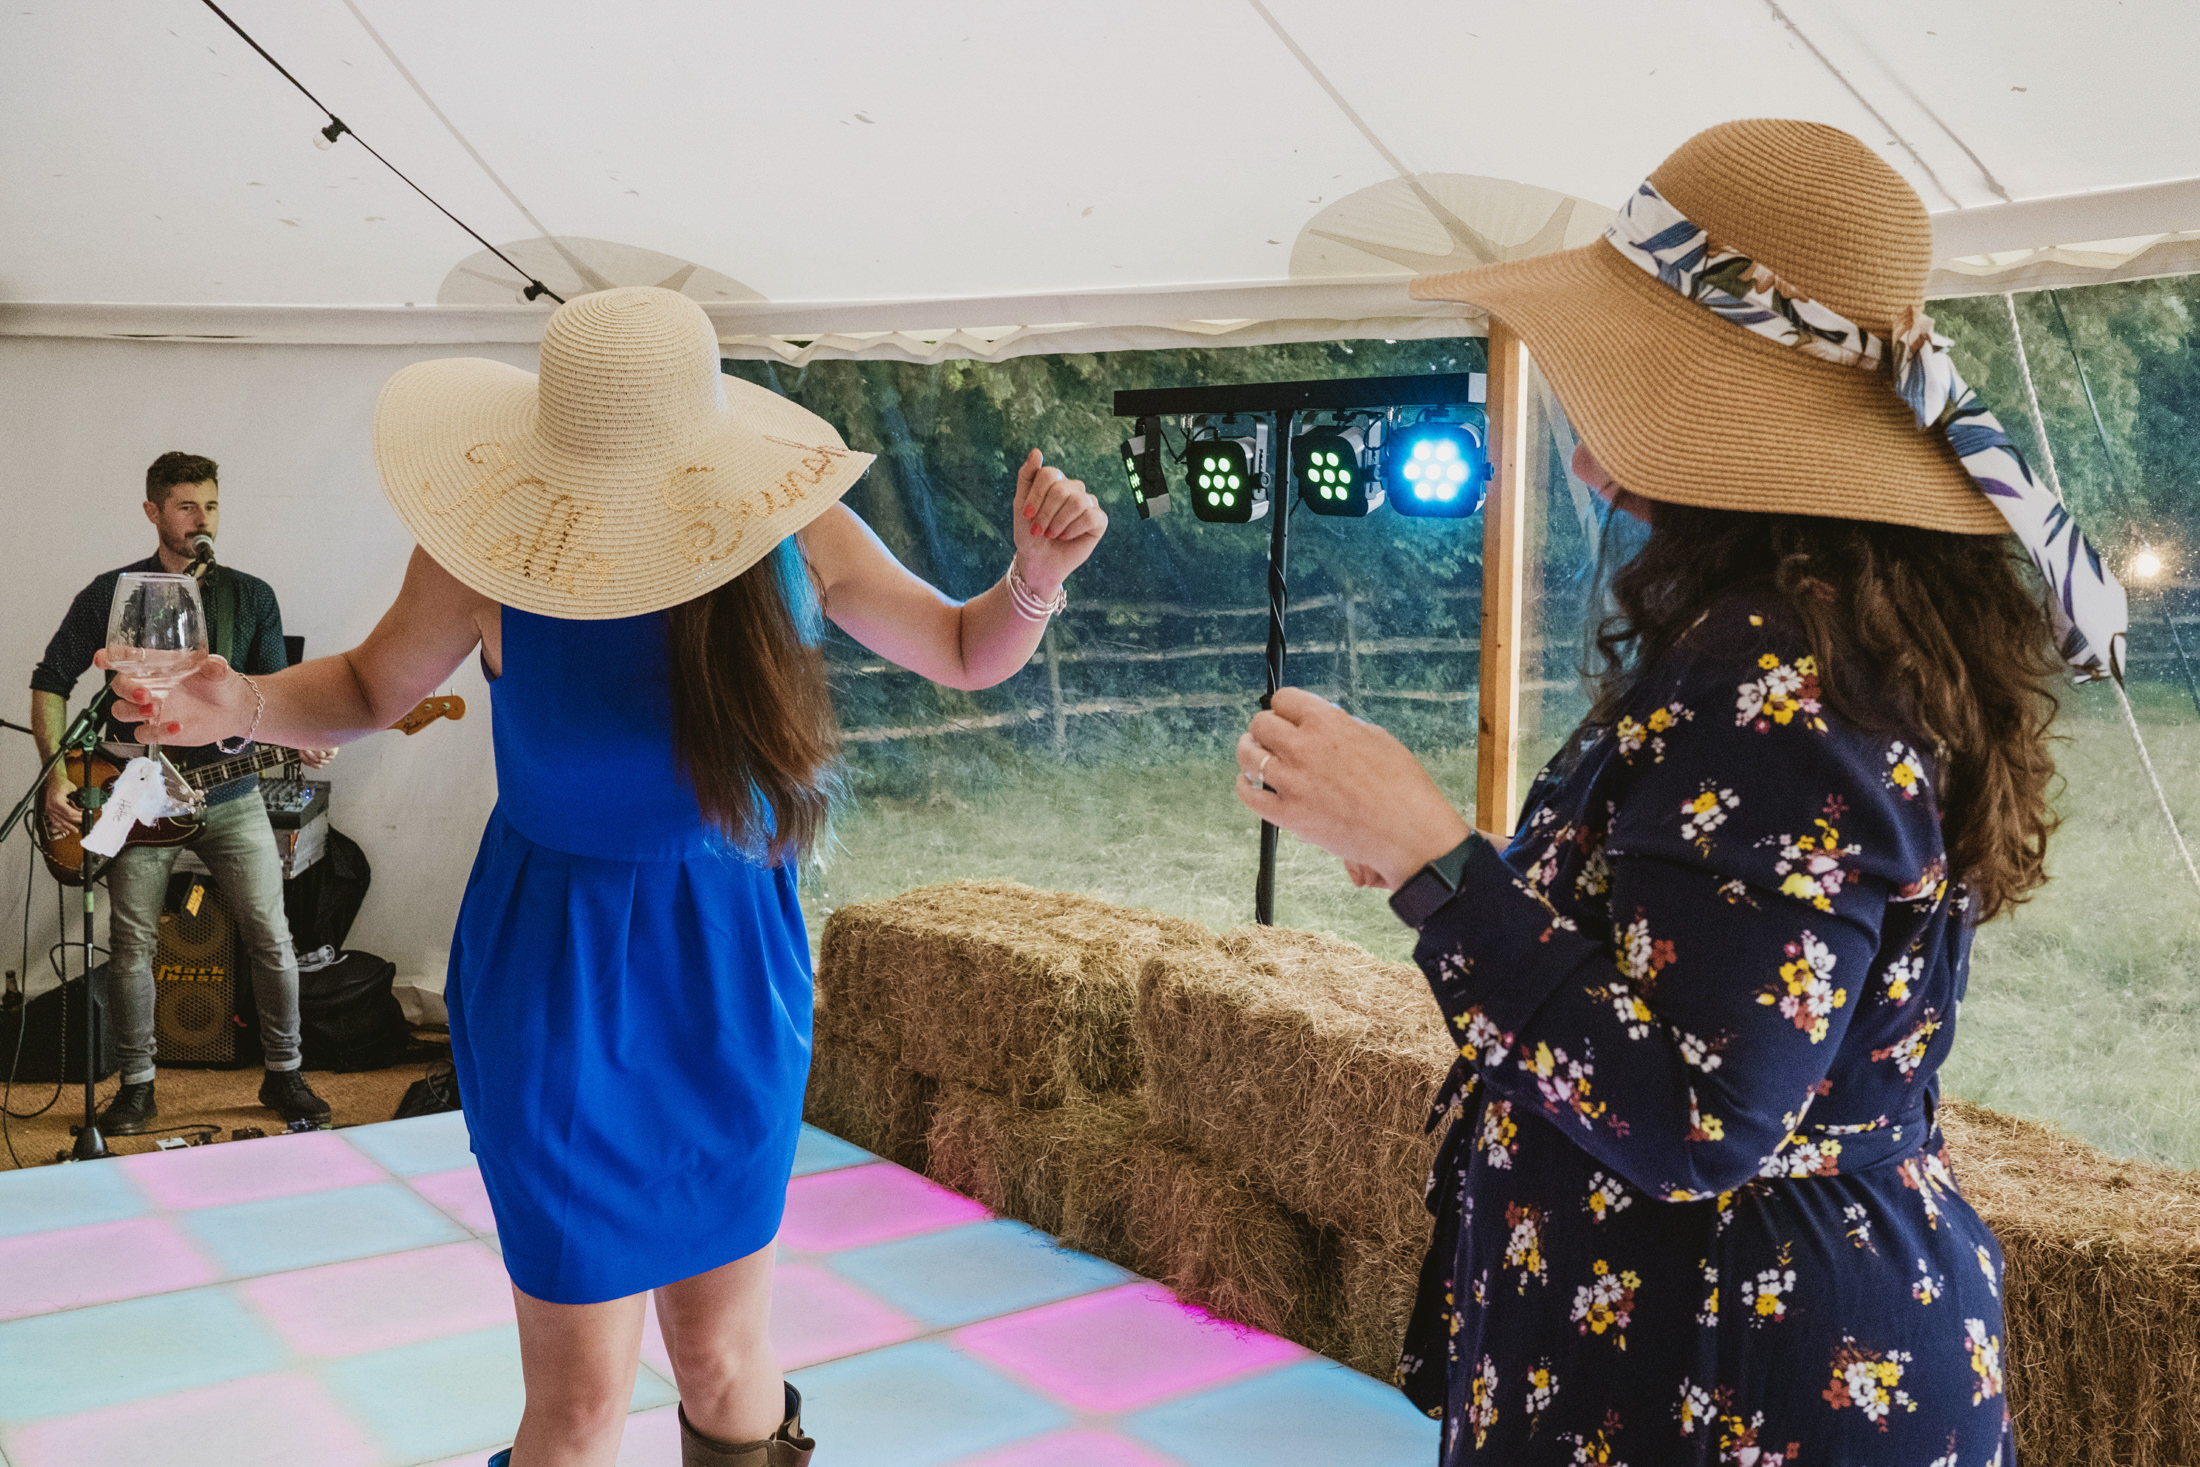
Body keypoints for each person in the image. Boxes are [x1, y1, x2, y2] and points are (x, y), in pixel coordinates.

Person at [1236, 119, 2124, 1463]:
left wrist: (1430, 856)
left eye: (1622, 383)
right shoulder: (1827, 635)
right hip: (1753, 1340)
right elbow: (1711, 956)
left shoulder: (1783, 669)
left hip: (1727, 1369)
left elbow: (1697, 1113)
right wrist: (1484, 875)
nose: (1586, 439)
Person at [107, 286, 1107, 1467]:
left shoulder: (796, 529)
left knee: (728, 1363)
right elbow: (376, 689)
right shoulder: (490, 542)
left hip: (731, 968)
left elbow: (958, 645)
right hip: (557, 972)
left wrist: (1032, 576)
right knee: (580, 1405)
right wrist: (246, 705)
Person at [33, 450, 334, 1134]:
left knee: (270, 934)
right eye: (187, 506)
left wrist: (301, 732)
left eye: (212, 505)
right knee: (132, 942)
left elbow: (271, 697)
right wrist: (57, 772)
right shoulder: (114, 593)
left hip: (229, 793)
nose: (203, 520)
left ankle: (285, 1073)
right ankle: (137, 1086)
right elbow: (51, 678)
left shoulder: (250, 595)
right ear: (153, 512)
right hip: (133, 793)